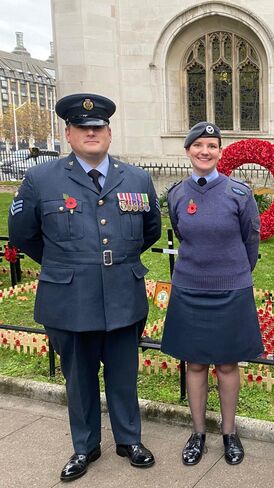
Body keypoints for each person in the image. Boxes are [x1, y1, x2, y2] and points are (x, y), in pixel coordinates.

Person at [8, 93, 161, 481]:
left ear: (109, 134)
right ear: (68, 133)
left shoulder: (137, 178)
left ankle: (130, 439)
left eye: (98, 128)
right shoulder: (42, 179)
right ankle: (85, 446)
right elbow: (24, 235)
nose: (91, 133)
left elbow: (150, 231)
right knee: (78, 377)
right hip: (69, 296)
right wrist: (67, 263)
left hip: (124, 295)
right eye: (82, 128)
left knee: (124, 374)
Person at [161, 121, 263, 467]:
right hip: (190, 288)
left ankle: (229, 434)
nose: (205, 151)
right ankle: (198, 433)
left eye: (212, 145)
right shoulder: (176, 194)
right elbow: (181, 232)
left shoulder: (239, 193)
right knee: (195, 362)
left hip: (230, 289)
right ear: (188, 150)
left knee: (227, 363)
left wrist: (232, 273)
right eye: (198, 145)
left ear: (220, 152)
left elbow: (251, 240)